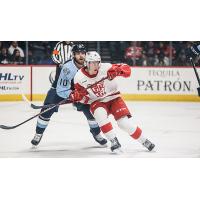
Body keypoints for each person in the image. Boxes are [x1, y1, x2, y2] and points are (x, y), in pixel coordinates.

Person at [72, 51, 155, 153]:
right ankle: (114, 141)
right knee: (100, 116)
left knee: (124, 123)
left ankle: (144, 141)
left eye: (97, 62)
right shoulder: (79, 77)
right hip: (97, 101)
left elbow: (127, 69)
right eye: (92, 63)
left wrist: (118, 71)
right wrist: (78, 97)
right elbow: (83, 99)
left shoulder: (105, 67)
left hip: (114, 97)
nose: (95, 65)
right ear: (86, 64)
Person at [31, 44, 107, 147]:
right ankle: (38, 133)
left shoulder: (89, 64)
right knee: (46, 110)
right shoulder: (67, 67)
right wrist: (72, 94)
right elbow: (61, 89)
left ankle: (97, 134)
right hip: (59, 90)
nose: (81, 56)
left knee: (91, 111)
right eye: (78, 53)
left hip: (80, 92)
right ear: (73, 55)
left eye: (83, 53)